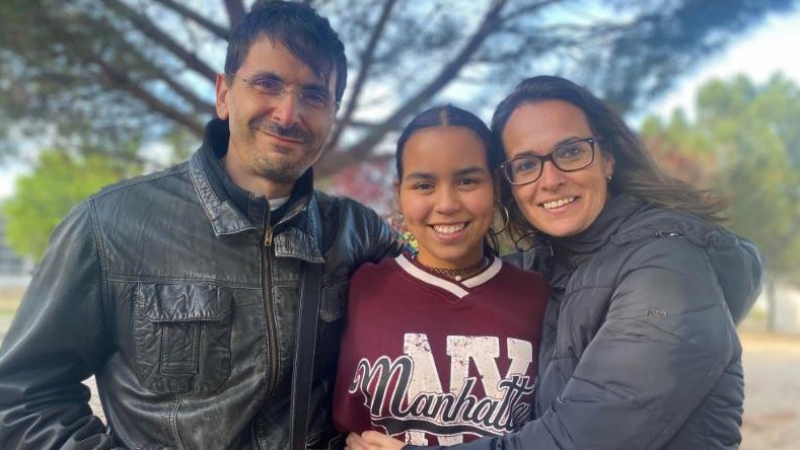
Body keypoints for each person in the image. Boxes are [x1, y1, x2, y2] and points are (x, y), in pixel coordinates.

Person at [0, 1, 401, 449]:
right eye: (267, 83)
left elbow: (448, 292)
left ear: (333, 113)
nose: (288, 114)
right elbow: (20, 398)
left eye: (313, 94)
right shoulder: (108, 226)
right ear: (224, 94)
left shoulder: (358, 233)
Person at [345, 75, 763, 450]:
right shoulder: (548, 268)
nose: (550, 178)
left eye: (570, 151)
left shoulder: (669, 273)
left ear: (609, 158)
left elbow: (579, 439)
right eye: (527, 163)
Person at [332, 105, 548, 446]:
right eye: (424, 185)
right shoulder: (358, 286)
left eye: (467, 180)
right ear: (399, 192)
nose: (446, 203)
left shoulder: (540, 296)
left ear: (496, 186)